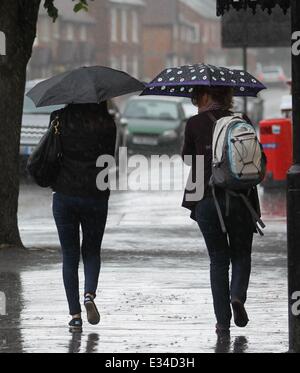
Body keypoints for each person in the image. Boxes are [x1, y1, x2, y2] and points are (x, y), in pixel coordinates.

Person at [182, 86, 262, 336]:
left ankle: (222, 322)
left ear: (206, 96)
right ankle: (237, 296)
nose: (195, 102)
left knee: (218, 259)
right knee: (241, 254)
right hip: (241, 197)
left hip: (207, 198)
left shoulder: (195, 123)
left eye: (197, 97)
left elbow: (188, 160)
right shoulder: (243, 121)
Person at [51, 102, 116, 333]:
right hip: (95, 195)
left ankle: (75, 316)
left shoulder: (59, 118)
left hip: (65, 194)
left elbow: (53, 151)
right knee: (91, 250)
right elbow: (110, 158)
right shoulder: (107, 123)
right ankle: (89, 294)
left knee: (69, 255)